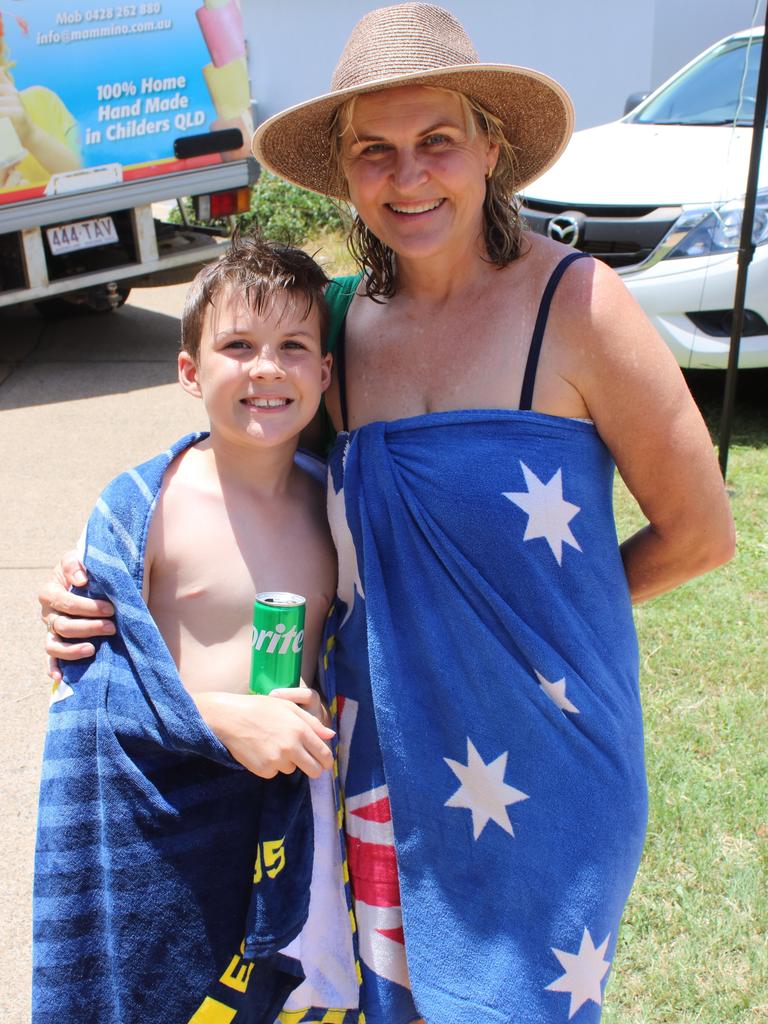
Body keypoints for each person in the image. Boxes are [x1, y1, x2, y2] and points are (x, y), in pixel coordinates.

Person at [39, 5, 735, 1022]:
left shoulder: (578, 310)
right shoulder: (334, 323)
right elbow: (235, 458)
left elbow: (703, 533)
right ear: (346, 174)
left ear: (490, 150)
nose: (409, 176)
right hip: (386, 763)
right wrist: (103, 557)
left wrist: (537, 622)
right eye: (376, 151)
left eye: (437, 142)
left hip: (545, 758)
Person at [33, 235, 359, 1024]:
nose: (266, 368)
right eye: (237, 346)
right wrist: (216, 716)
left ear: (323, 372)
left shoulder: (339, 508)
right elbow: (84, 695)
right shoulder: (147, 509)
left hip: (291, 829)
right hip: (170, 838)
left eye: (293, 347)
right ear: (189, 370)